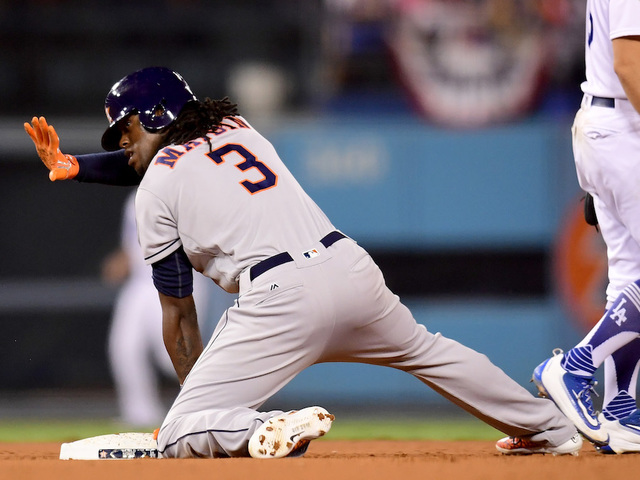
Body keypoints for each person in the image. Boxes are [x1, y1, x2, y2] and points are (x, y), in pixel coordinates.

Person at [25, 66, 581, 458]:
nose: (122, 145)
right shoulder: (237, 128)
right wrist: (78, 165)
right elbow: (157, 161)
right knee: (429, 352)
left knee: (178, 434)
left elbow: (179, 313)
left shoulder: (154, 191)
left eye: (125, 130)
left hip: (280, 297)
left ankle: (264, 427)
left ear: (152, 115)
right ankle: (553, 429)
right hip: (350, 268)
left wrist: (206, 406)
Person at [527, 0, 640, 455]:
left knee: (630, 279)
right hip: (623, 127)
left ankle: (620, 410)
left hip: (610, 123)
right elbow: (629, 63)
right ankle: (573, 367)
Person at [102, 190, 233, 427]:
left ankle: (213, 407)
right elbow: (133, 245)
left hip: (180, 280)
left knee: (172, 357)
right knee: (124, 347)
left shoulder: (185, 193)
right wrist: (123, 260)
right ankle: (140, 415)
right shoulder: (133, 199)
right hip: (140, 283)